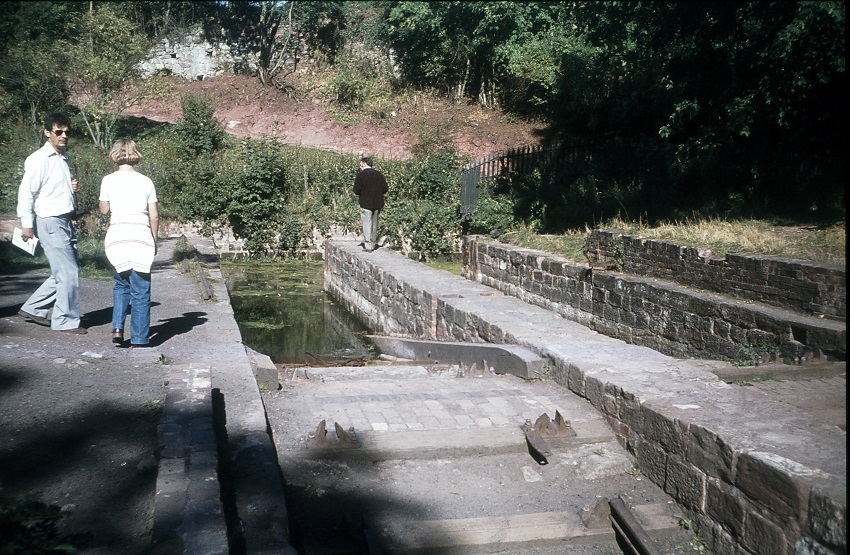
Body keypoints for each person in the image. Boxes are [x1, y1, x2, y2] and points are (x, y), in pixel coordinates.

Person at [16, 112, 87, 334]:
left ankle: (34, 308)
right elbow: (26, 193)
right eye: (59, 131)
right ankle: (65, 321)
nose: (64, 135)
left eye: (67, 131)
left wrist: (71, 187)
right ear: (48, 133)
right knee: (68, 272)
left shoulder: (62, 157)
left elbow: (52, 189)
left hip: (65, 220)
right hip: (49, 220)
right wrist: (27, 224)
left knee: (64, 271)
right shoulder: (38, 159)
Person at [98, 139, 159, 347]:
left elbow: (104, 210)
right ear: (136, 154)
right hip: (140, 236)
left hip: (118, 236)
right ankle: (140, 338)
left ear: (115, 154)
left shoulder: (108, 180)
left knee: (121, 283)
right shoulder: (146, 181)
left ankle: (117, 327)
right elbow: (155, 216)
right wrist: (154, 239)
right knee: (141, 289)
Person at [353, 156, 388, 252]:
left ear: (364, 164)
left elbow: (356, 190)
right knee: (374, 223)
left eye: (360, 164)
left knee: (367, 223)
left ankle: (368, 246)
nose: (360, 167)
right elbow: (385, 189)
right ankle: (373, 243)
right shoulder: (380, 175)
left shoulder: (361, 175)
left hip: (365, 203)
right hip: (378, 203)